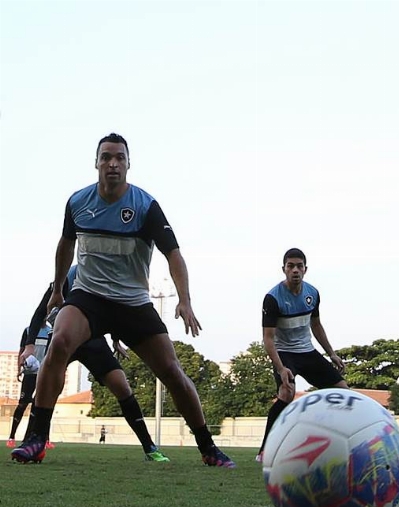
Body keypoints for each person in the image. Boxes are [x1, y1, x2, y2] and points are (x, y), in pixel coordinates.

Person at [10, 133, 234, 467]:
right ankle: (36, 439)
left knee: (172, 371)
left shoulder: (145, 206)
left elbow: (174, 254)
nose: (112, 164)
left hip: (132, 302)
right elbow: (65, 245)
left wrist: (185, 300)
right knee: (59, 341)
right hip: (89, 296)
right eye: (106, 157)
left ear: (129, 164)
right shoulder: (78, 202)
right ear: (96, 163)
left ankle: (208, 447)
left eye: (119, 158)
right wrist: (58, 289)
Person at [17, 266, 171, 462]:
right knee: (45, 390)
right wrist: (29, 346)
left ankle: (150, 447)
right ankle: (31, 443)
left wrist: (116, 338)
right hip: (63, 340)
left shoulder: (105, 275)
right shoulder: (69, 275)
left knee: (122, 387)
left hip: (92, 341)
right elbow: (40, 312)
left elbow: (113, 311)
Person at [256, 248, 347, 461]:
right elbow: (268, 338)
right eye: (291, 266)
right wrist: (281, 368)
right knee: (286, 393)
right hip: (284, 353)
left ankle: (341, 441)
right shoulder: (272, 298)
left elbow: (316, 325)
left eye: (299, 266)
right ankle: (265, 450)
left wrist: (331, 353)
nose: (295, 270)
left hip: (307, 352)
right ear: (284, 269)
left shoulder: (312, 293)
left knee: (343, 391)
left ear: (305, 269)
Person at [7, 327, 45, 448]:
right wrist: (19, 368)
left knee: (38, 405)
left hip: (43, 373)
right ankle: (12, 436)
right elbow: (22, 350)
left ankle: (29, 437)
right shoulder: (29, 331)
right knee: (22, 404)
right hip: (29, 373)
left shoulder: (50, 331)